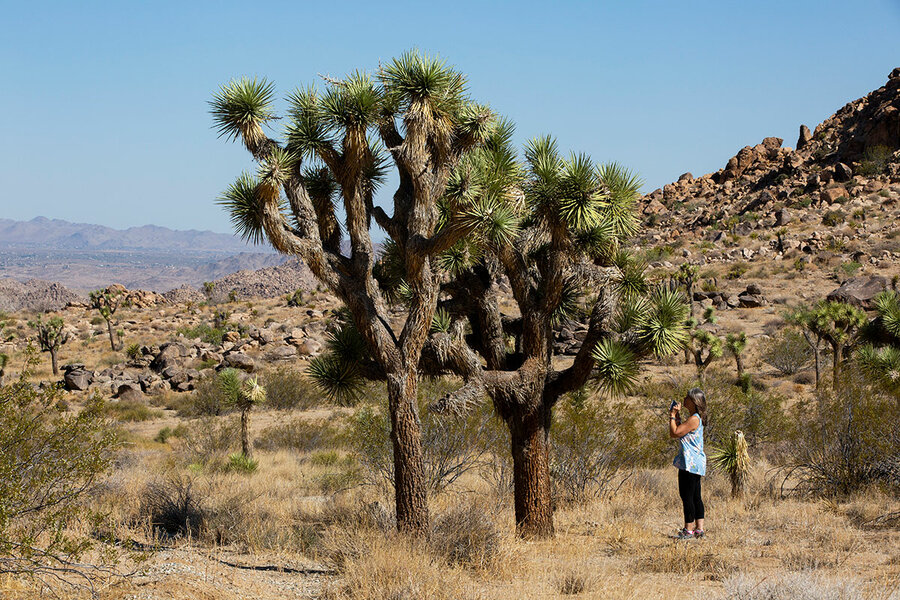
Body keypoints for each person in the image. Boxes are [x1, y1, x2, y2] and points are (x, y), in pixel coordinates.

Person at [669, 387, 707, 539]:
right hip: (695, 462)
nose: (684, 399)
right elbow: (680, 430)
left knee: (687, 496)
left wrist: (672, 416)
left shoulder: (694, 419)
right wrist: (676, 417)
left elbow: (675, 433)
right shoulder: (697, 417)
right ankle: (699, 529)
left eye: (687, 397)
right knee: (696, 496)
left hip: (689, 463)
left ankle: (688, 530)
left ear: (693, 401)